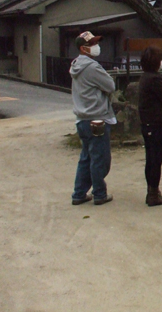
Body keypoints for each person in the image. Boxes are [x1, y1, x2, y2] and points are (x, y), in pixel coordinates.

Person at [69, 31, 116, 206]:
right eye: (92, 44)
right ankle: (99, 193)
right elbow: (110, 85)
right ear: (83, 48)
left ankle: (79, 193)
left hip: (82, 118)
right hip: (97, 118)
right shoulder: (92, 67)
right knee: (100, 158)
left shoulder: (76, 65)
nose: (96, 47)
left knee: (86, 157)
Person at [138, 46, 162, 207]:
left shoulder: (145, 77)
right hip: (155, 123)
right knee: (155, 160)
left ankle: (152, 190)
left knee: (151, 159)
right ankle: (153, 194)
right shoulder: (154, 79)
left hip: (147, 122)